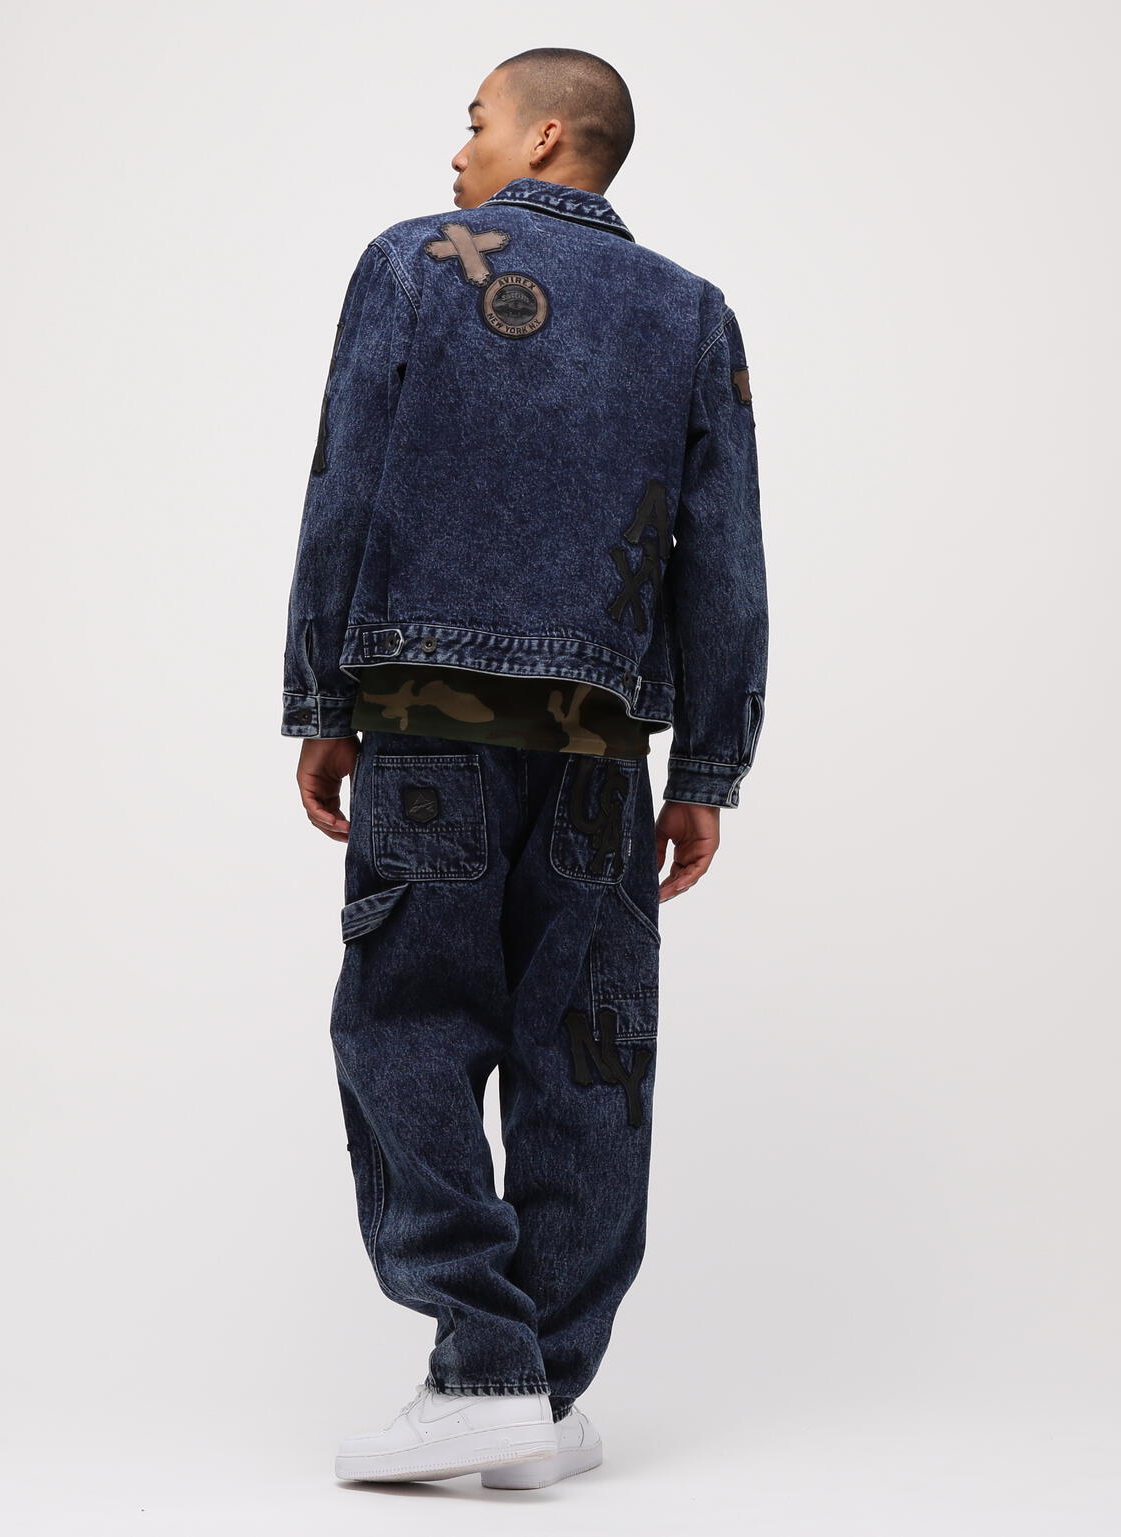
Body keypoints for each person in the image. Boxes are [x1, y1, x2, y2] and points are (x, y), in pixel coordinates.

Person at [280, 46, 768, 1487]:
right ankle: (543, 1390)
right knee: (587, 1055)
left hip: (428, 723)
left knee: (410, 1026)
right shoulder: (691, 311)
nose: (459, 151)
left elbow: (344, 483)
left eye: (478, 120)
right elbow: (726, 557)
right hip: (605, 751)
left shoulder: (414, 263)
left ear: (548, 136)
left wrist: (322, 696)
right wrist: (709, 763)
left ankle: (486, 1369)